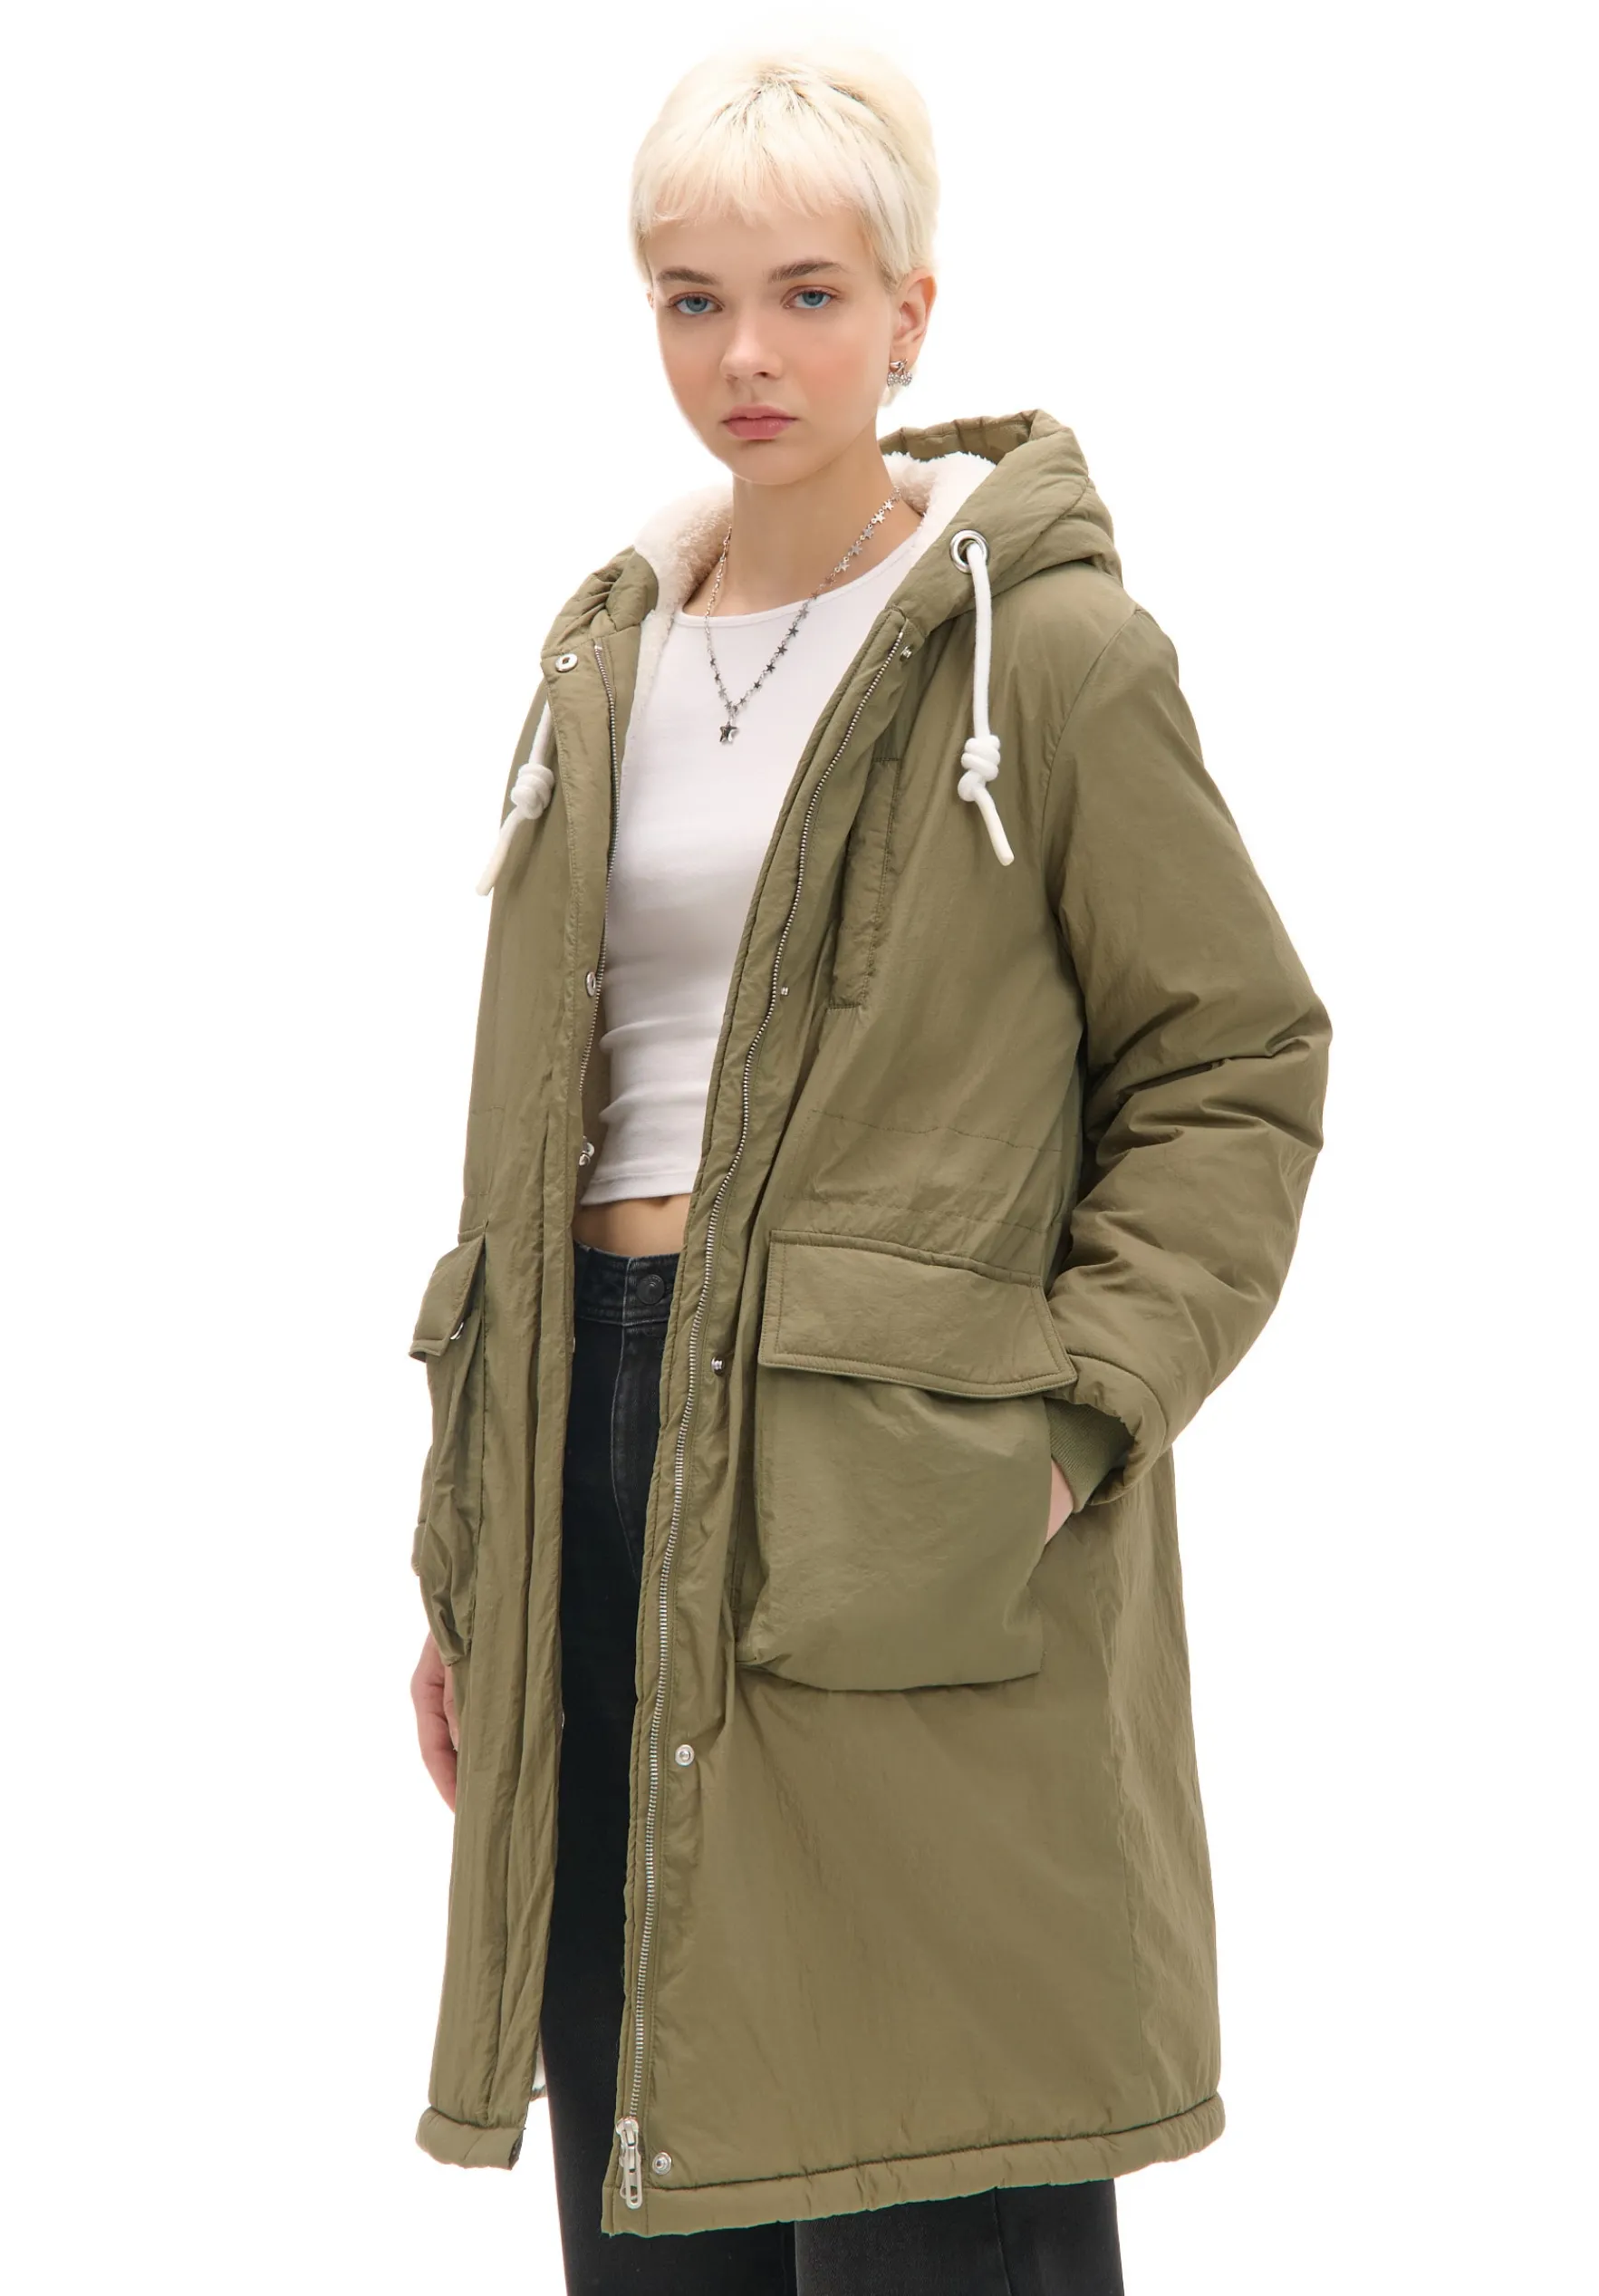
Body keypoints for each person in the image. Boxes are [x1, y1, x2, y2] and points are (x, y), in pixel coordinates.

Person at [405, 37, 1331, 2295]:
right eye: (692, 298)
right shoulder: (602, 664)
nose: (746, 354)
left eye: (806, 295)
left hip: (896, 1462)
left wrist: (1068, 1415)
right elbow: (537, 1142)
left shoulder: (1056, 655)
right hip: (595, 1440)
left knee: (936, 2159)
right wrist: (472, 1544)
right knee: (652, 2162)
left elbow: (1233, 1060)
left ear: (911, 314)